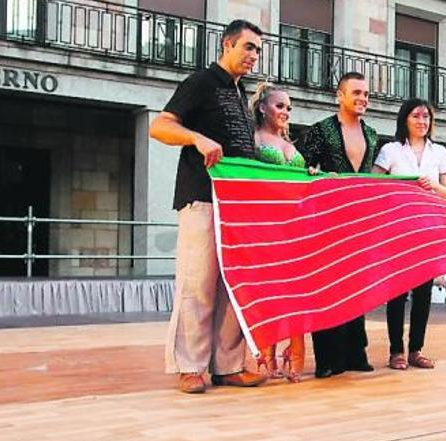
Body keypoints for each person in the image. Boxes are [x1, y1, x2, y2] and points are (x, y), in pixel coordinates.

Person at [148, 19, 268, 394]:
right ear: (227, 44)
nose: (254, 56)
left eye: (258, 50)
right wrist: (197, 138)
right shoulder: (200, 82)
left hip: (238, 205)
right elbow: (160, 126)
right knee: (197, 283)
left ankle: (228, 365)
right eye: (248, 47)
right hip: (201, 197)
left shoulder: (239, 93)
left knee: (233, 287)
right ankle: (190, 365)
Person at [299, 71, 378, 379]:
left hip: (360, 220)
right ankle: (328, 359)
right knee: (328, 287)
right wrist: (319, 178)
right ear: (340, 96)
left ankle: (356, 353)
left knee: (357, 286)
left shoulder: (371, 134)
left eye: (366, 94)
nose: (362, 99)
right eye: (356, 93)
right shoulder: (321, 130)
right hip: (327, 221)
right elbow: (305, 169)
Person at [373, 98, 446, 371]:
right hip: (398, 230)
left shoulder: (440, 152)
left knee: (423, 293)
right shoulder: (391, 150)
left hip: (427, 230)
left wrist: (433, 187)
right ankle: (396, 350)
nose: (422, 122)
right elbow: (374, 184)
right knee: (396, 293)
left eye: (426, 117)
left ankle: (416, 349)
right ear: (405, 119)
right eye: (416, 116)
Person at [249, 81, 305, 382]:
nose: (285, 112)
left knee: (295, 294)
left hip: (294, 227)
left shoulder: (291, 145)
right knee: (270, 294)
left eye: (288, 108)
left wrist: (310, 174)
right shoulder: (253, 140)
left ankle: (296, 359)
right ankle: (268, 359)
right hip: (266, 226)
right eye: (280, 106)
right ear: (262, 108)